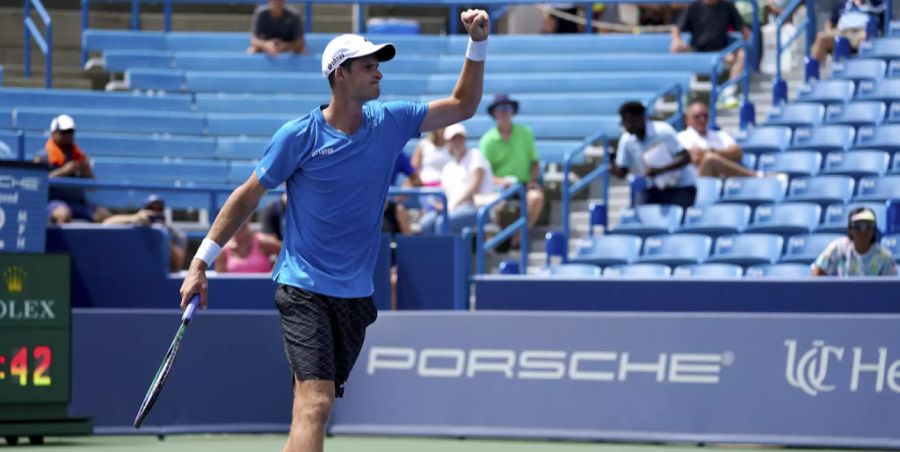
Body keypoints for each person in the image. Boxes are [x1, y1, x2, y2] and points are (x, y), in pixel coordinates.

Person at [178, 10, 490, 452]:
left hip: (355, 294)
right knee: (317, 404)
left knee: (307, 409)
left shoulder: (391, 121)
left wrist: (477, 44)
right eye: (368, 66)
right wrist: (199, 263)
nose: (378, 72)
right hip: (302, 286)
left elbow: (464, 105)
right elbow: (247, 196)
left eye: (378, 64)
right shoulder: (299, 136)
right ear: (340, 75)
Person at [479, 93, 545, 235]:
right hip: (498, 188)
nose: (505, 112)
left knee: (536, 197)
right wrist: (502, 181)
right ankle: (497, 241)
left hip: (523, 185)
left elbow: (535, 163)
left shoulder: (525, 133)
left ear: (512, 111)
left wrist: (532, 181)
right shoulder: (487, 140)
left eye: (507, 108)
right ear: (494, 113)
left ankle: (518, 240)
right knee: (488, 206)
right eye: (501, 109)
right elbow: (484, 172)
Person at [610, 101, 696, 208]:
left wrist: (660, 170)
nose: (625, 126)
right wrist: (611, 162)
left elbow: (685, 158)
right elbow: (622, 172)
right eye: (623, 122)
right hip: (654, 189)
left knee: (675, 219)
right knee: (641, 217)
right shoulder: (626, 140)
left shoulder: (663, 131)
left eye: (628, 121)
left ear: (640, 118)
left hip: (681, 187)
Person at [670, 0, 751, 108]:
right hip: (697, 51)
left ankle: (729, 91)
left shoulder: (727, 6)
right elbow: (676, 28)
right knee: (675, 48)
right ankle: (678, 91)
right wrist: (677, 40)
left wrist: (735, 48)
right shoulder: (694, 7)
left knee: (742, 55)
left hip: (722, 53)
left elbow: (745, 31)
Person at [420, 124, 495, 235]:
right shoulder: (448, 167)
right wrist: (441, 205)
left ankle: (447, 252)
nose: (457, 142)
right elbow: (446, 195)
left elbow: (475, 184)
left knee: (442, 222)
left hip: (479, 208)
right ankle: (434, 252)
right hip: (454, 209)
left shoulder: (475, 155)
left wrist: (452, 205)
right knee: (425, 223)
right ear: (447, 142)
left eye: (460, 138)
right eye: (453, 139)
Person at [35, 114, 111, 224]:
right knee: (63, 214)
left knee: (103, 214)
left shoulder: (79, 156)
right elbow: (37, 183)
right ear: (53, 133)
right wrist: (63, 172)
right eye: (64, 132)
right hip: (54, 201)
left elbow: (93, 188)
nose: (68, 136)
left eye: (70, 132)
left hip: (78, 203)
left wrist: (87, 172)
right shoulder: (42, 157)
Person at [103, 195, 187, 272]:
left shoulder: (175, 233)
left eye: (160, 209)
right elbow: (106, 223)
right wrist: (134, 218)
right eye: (150, 209)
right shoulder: (135, 227)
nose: (155, 212)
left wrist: (161, 234)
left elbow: (177, 265)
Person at [677, 100, 755, 178]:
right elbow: (695, 157)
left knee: (710, 158)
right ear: (687, 119)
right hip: (698, 183)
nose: (702, 119)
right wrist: (724, 154)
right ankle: (754, 176)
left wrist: (710, 151)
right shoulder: (681, 138)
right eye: (697, 116)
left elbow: (737, 152)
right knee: (710, 160)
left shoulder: (720, 134)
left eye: (705, 116)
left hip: (725, 180)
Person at [813, 207, 897, 277]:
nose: (863, 231)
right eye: (858, 226)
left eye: (868, 226)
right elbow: (818, 272)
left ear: (874, 230)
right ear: (850, 230)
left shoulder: (885, 257)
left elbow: (892, 288)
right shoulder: (838, 248)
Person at [811, 0, 884, 63]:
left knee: (865, 39)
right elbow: (830, 22)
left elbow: (883, 21)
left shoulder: (875, 2)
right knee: (821, 37)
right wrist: (828, 31)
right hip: (842, 32)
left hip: (861, 32)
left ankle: (863, 72)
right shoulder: (842, 3)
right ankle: (814, 73)